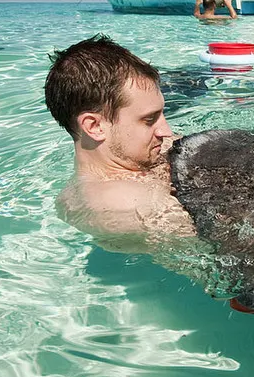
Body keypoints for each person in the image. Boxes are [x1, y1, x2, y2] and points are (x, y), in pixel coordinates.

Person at [44, 35, 196, 245]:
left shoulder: (140, 153)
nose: (166, 131)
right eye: (149, 119)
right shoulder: (123, 207)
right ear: (94, 126)